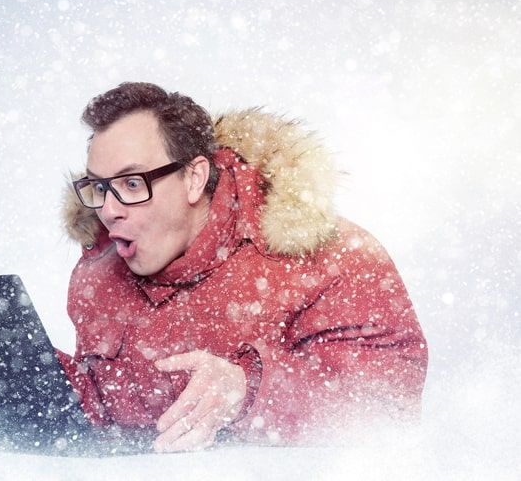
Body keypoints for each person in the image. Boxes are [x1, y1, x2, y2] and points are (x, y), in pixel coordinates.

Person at [56, 82, 428, 453]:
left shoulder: (328, 258)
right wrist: (31, 378)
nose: (108, 210)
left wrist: (247, 390)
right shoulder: (101, 270)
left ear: (193, 178)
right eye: (100, 188)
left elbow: (386, 412)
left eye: (132, 183)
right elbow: (106, 409)